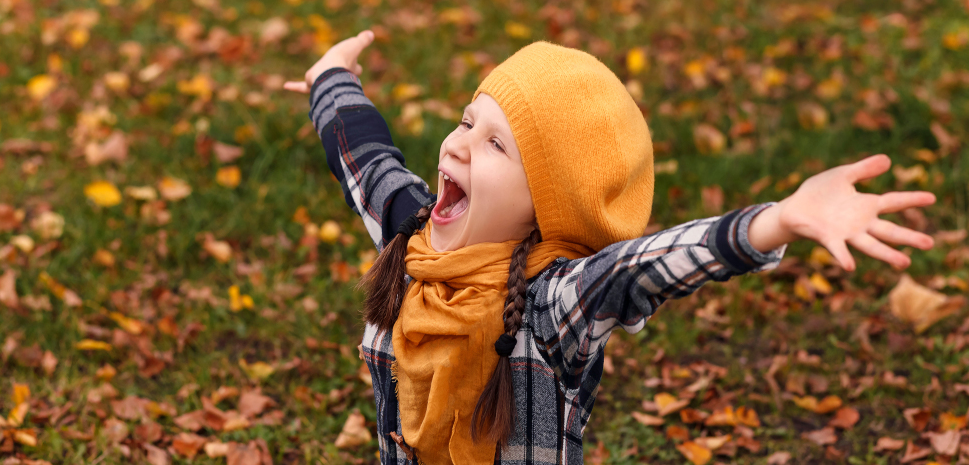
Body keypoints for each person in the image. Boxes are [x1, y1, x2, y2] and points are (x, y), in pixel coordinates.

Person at [284, 30, 936, 465]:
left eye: (494, 145)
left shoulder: (555, 301)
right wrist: (331, 78)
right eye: (466, 120)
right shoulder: (415, 238)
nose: (456, 144)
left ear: (549, 203)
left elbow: (653, 265)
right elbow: (366, 160)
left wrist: (780, 221)